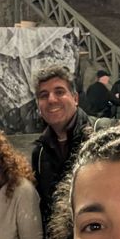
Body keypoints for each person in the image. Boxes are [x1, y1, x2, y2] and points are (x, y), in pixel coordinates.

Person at [32, 66, 91, 228]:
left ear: (75, 98)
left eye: (59, 92)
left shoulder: (102, 136)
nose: (51, 99)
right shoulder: (39, 153)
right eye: (44, 95)